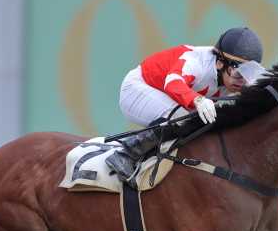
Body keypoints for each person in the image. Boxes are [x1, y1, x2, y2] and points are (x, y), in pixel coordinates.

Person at [106, 27, 264, 186]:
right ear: (220, 62)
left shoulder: (231, 77)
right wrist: (198, 100)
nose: (243, 81)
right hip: (137, 89)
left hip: (167, 96)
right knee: (183, 116)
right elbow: (172, 83)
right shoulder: (196, 62)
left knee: (201, 122)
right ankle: (125, 154)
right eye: (239, 73)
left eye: (248, 74)